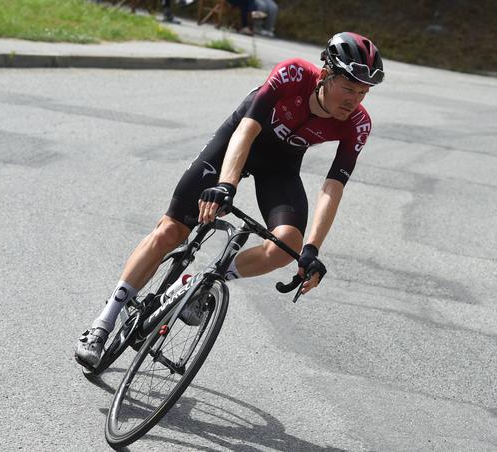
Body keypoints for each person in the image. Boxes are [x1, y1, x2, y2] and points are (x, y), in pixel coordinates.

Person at [75, 32, 385, 369]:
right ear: (325, 75)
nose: (354, 99)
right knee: (171, 231)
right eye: (349, 88)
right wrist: (226, 185)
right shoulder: (293, 73)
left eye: (363, 92)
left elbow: (333, 187)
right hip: (235, 145)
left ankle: (199, 284)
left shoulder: (358, 123)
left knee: (286, 246)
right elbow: (248, 130)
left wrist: (312, 249)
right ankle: (102, 324)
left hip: (279, 168)